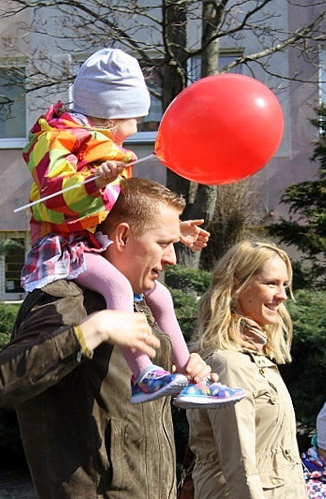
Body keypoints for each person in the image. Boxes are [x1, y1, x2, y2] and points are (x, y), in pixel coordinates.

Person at [21, 47, 241, 407]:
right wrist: (92, 184)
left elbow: (123, 210)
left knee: (163, 297)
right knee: (117, 286)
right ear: (110, 116)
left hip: (99, 240)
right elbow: (55, 194)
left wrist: (172, 228)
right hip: (67, 245)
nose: (136, 128)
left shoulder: (108, 150)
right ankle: (143, 375)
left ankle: (188, 374)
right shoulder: (57, 139)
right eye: (132, 120)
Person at [0, 177, 226, 498]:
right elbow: (2, 384)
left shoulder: (140, 305)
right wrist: (93, 330)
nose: (171, 258)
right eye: (163, 243)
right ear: (123, 236)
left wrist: (185, 369)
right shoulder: (68, 300)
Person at [186, 240, 308, 498]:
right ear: (235, 285)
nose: (282, 295)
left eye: (284, 285)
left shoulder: (257, 359)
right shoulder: (227, 363)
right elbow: (238, 462)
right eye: (271, 283)